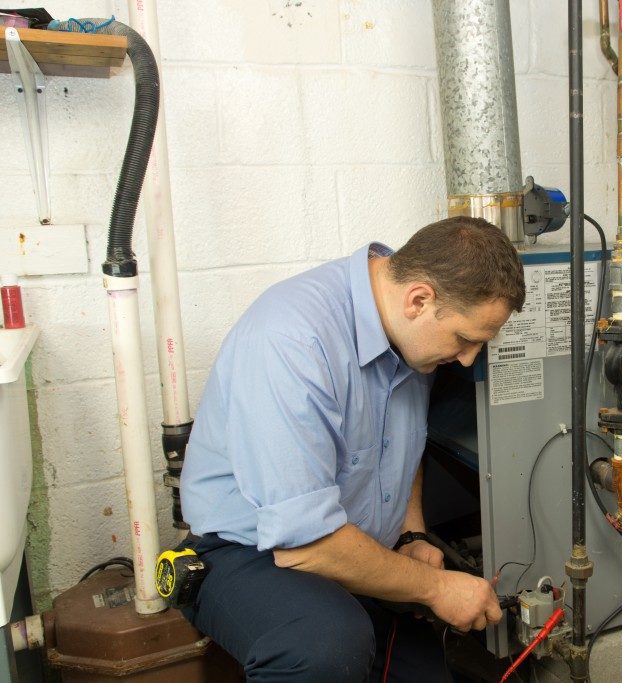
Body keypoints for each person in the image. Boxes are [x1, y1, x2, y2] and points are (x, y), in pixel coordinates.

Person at [178, 216, 526, 682]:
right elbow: (307, 545)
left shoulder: (407, 334)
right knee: (324, 647)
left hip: (351, 550)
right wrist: (437, 587)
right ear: (419, 299)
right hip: (248, 552)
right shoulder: (292, 340)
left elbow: (400, 443)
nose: (467, 359)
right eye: (465, 340)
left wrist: (413, 534)